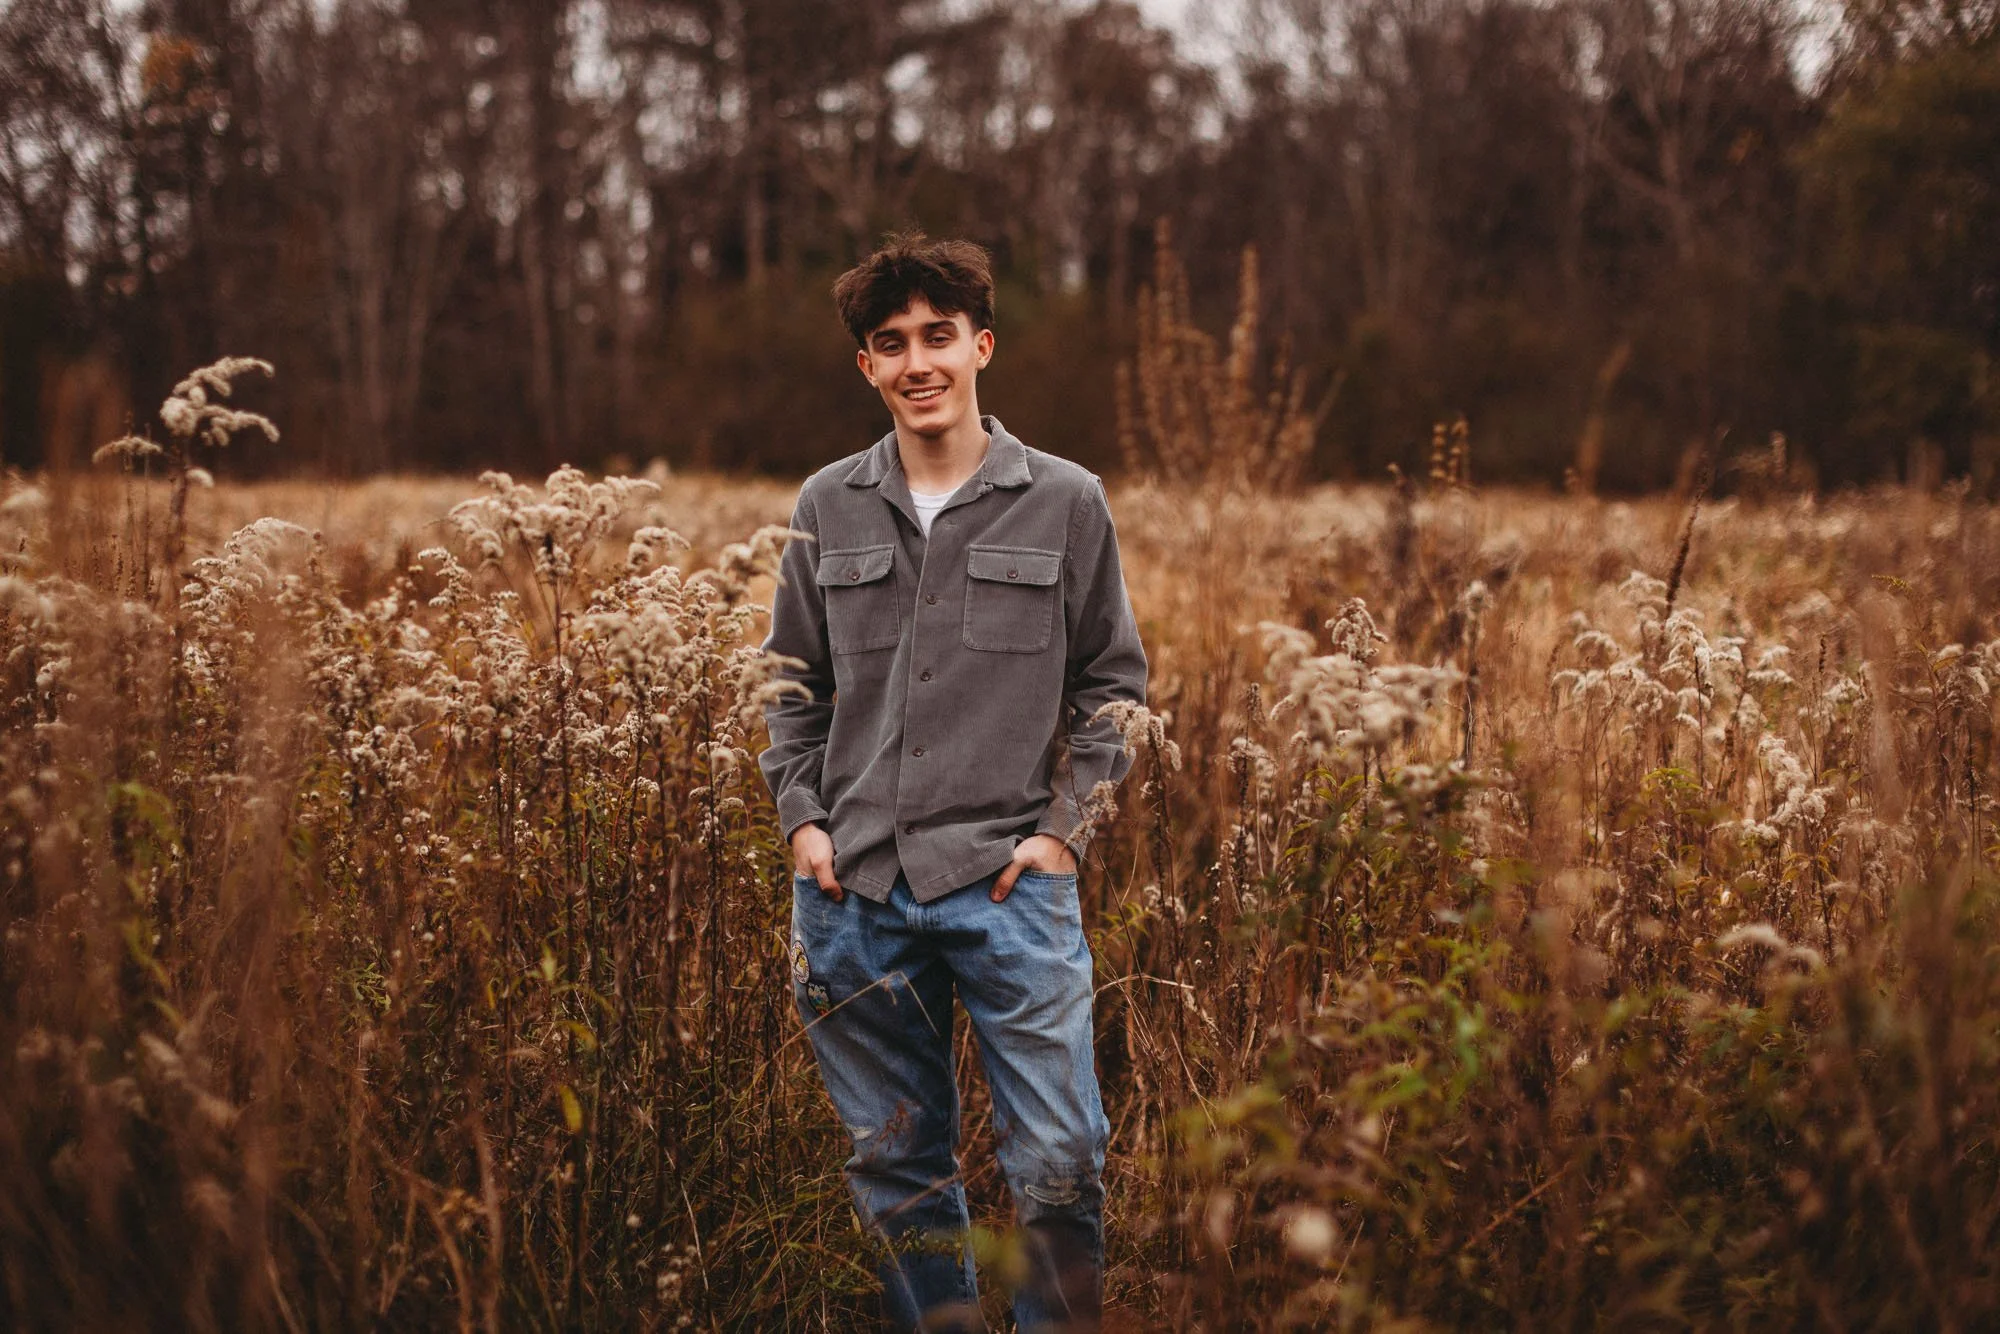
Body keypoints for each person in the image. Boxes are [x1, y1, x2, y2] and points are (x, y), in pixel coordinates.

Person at [757, 232, 1149, 1332]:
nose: (917, 360)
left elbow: (1112, 684)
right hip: (854, 895)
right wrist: (803, 826)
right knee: (897, 1166)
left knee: (1060, 1161)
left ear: (981, 344)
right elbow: (790, 686)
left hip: (1006, 887)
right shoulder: (825, 505)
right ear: (867, 369)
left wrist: (1062, 834)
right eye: (891, 344)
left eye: (938, 335)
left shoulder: (1066, 501)